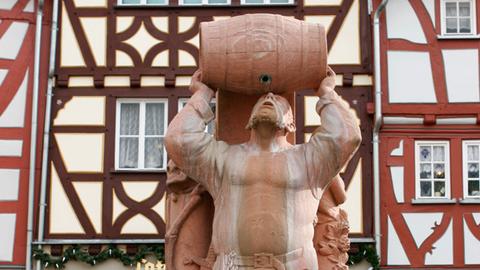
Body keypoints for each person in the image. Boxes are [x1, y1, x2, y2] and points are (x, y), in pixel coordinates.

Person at [165, 67, 361, 270]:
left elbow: (346, 136)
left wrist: (326, 93)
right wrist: (203, 94)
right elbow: (179, 140)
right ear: (249, 122)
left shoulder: (308, 159)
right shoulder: (224, 158)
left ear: (291, 125)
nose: (268, 96)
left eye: (279, 102)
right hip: (232, 265)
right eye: (261, 102)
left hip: (294, 265)